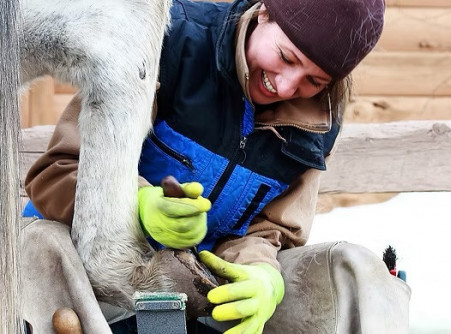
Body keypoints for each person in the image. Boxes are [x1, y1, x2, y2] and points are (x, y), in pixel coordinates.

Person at [23, 0, 411, 333]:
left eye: (314, 79)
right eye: (286, 57)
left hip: (187, 295)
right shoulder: (164, 42)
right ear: (263, 14)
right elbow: (55, 171)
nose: (288, 85)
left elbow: (270, 232)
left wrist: (260, 276)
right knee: (43, 249)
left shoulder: (317, 123)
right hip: (91, 280)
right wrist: (133, 206)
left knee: (357, 271)